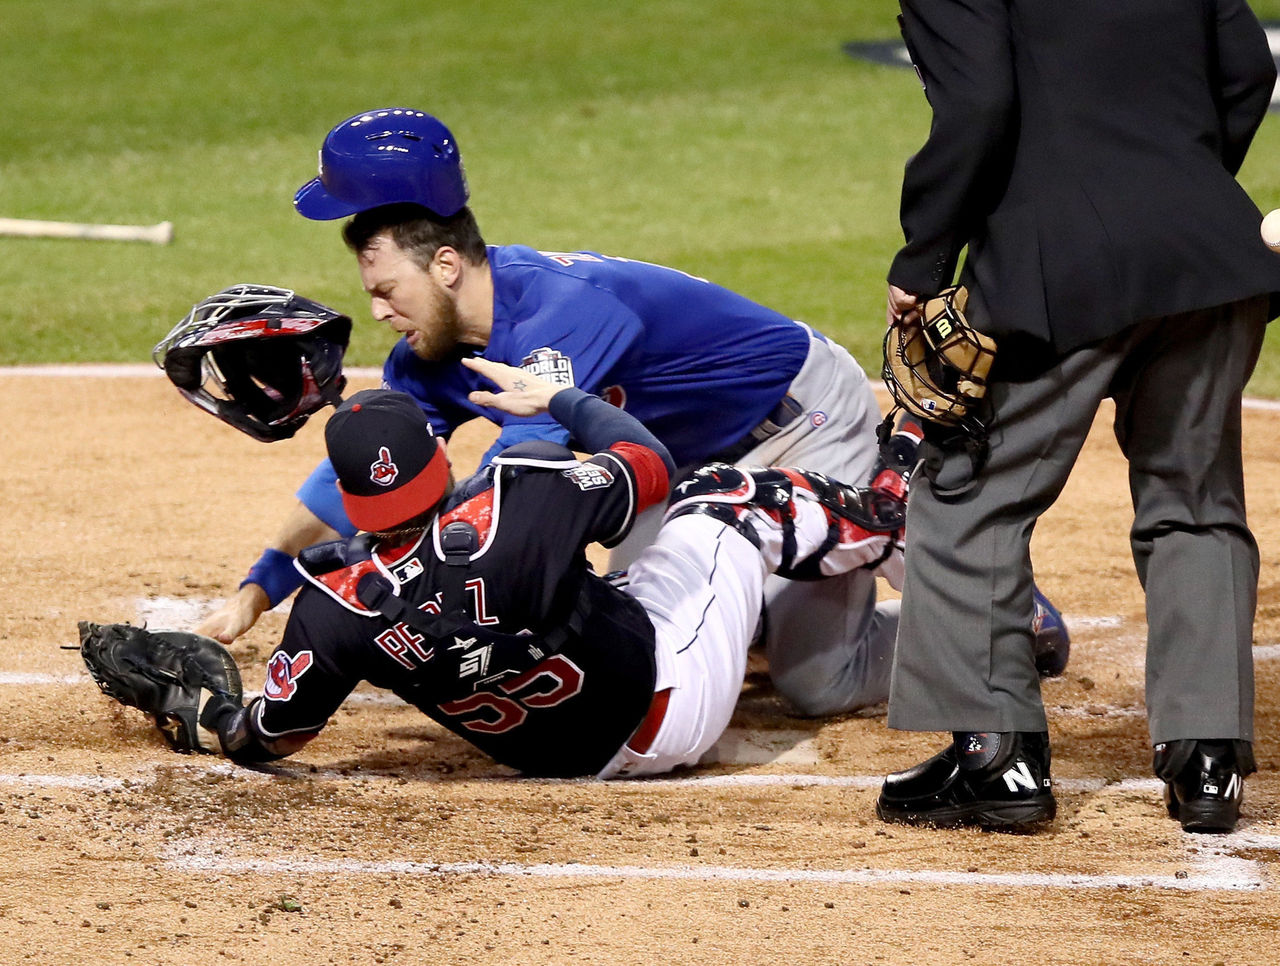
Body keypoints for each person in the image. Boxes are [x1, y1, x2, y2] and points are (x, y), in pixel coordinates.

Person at [195, 107, 1066, 718]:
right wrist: (258, 589)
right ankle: (778, 586)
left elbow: (519, 498)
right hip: (685, 469)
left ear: (449, 265)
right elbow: (361, 474)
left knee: (815, 684)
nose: (379, 310)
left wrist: (386, 572)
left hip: (799, 427)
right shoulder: (434, 350)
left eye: (386, 288)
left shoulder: (568, 315)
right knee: (654, 635)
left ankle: (977, 604)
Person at [876, 0, 1280, 833]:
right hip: (1213, 255)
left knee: (965, 497)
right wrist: (1182, 185)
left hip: (1061, 254)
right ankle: (1208, 760)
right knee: (1195, 501)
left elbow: (980, 104)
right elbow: (1248, 69)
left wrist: (924, 255)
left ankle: (998, 760)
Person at [210, 357, 906, 777]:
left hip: (555, 755)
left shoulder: (332, 607)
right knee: (719, 493)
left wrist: (202, 714)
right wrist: (559, 401)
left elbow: (274, 735)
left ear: (351, 501)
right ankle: (893, 512)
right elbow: (651, 468)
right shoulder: (521, 497)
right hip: (673, 699)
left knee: (626, 584)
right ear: (437, 460)